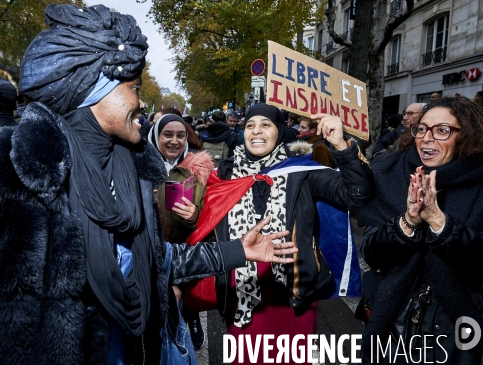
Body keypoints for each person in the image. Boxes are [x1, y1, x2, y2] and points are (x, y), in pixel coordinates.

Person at [0, 4, 297, 365]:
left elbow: (153, 261)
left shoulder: (134, 171)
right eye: (133, 88)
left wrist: (237, 250)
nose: (141, 102)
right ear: (94, 89)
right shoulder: (7, 157)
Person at [197, 103, 374, 364]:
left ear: (279, 131)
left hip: (292, 293)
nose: (256, 131)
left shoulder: (301, 172)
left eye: (265, 125)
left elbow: (359, 193)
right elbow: (204, 225)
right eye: (250, 125)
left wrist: (341, 146)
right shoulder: (223, 174)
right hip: (241, 295)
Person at [357, 96, 483, 364]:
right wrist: (408, 223)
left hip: (457, 334)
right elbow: (372, 253)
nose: (427, 138)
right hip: (393, 326)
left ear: (466, 137)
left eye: (442, 131)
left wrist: (439, 222)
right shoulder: (390, 173)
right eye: (422, 129)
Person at [148, 113, 214, 349]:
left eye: (181, 135)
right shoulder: (137, 165)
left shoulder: (198, 170)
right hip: (148, 248)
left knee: (179, 297)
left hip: (184, 249)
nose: (174, 141)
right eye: (168, 134)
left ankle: (190, 315)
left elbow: (208, 216)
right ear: (156, 136)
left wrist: (193, 215)